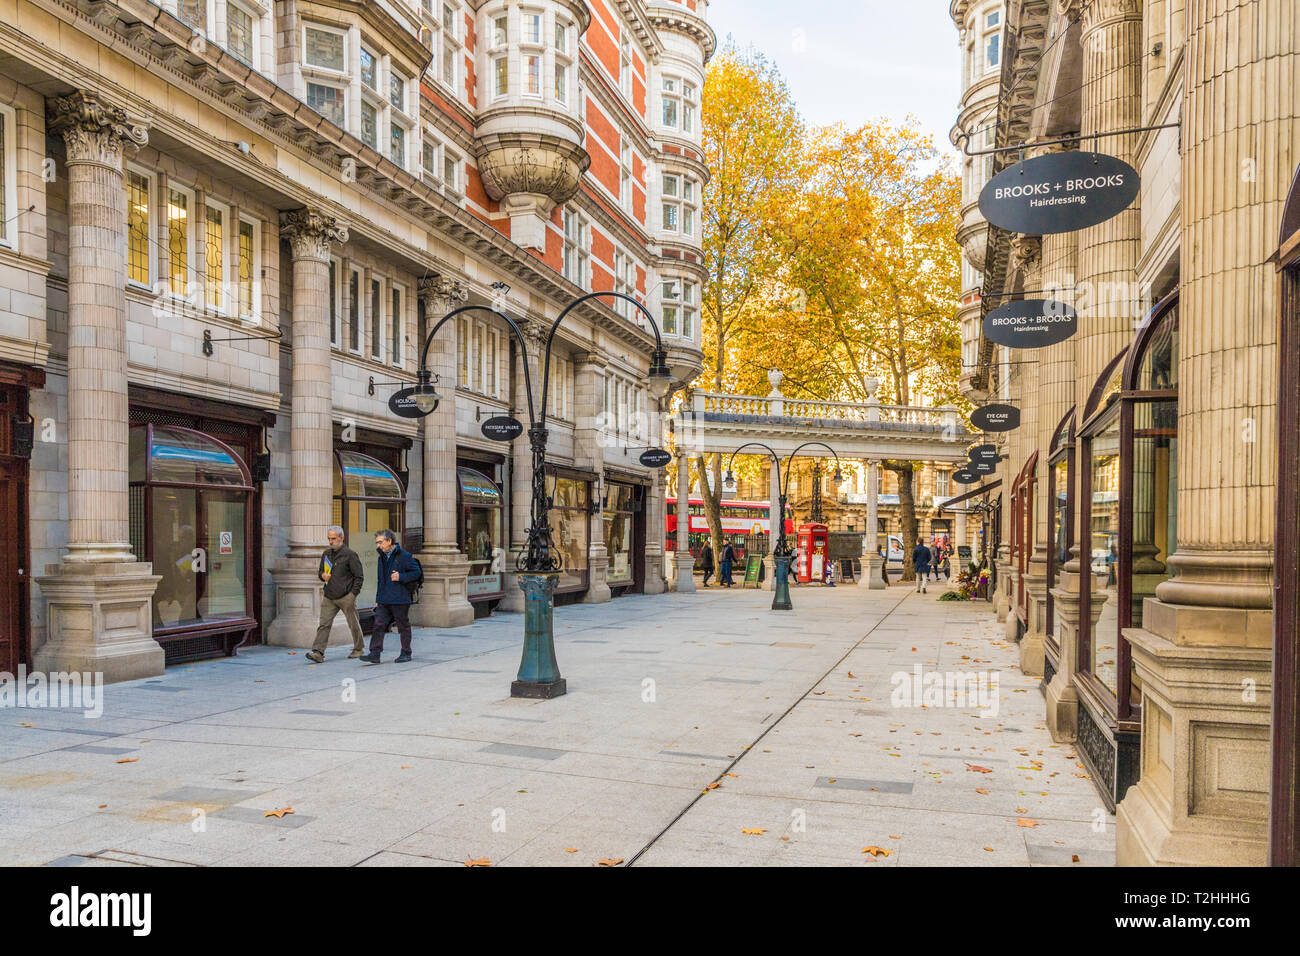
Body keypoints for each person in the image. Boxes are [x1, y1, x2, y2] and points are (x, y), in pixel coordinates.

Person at [360, 529, 422, 664]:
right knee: (378, 624)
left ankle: (406, 652)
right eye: (377, 543)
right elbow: (380, 580)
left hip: (400, 598)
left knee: (402, 626)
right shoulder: (381, 557)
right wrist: (378, 599)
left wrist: (401, 576)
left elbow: (416, 573)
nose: (378, 546)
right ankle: (375, 653)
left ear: (389, 541)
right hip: (384, 599)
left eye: (380, 542)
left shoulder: (404, 556)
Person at [307, 526, 365, 664]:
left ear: (341, 538)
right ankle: (318, 652)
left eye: (333, 538)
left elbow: (359, 577)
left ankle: (359, 648)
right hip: (329, 595)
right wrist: (322, 576)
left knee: (353, 623)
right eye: (329, 539)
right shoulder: (326, 554)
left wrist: (352, 595)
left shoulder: (350, 555)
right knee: (324, 624)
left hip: (346, 596)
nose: (331, 541)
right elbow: (321, 572)